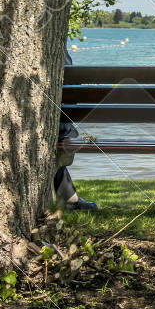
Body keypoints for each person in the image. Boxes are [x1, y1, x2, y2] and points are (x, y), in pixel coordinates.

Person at [54, 50, 96, 211]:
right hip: (60, 131)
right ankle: (71, 199)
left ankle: (71, 199)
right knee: (64, 136)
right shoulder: (59, 53)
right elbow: (73, 92)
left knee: (59, 141)